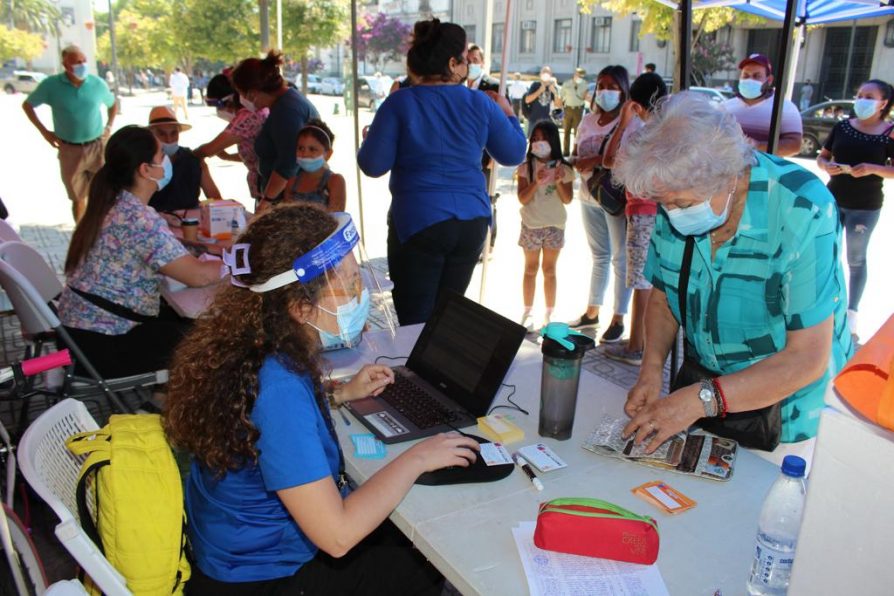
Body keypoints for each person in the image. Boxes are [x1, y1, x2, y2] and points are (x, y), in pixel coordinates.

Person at [163, 204, 479, 594]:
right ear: (299, 307)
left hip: (229, 555)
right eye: (346, 286)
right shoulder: (277, 385)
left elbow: (260, 424)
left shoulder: (254, 347)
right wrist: (418, 457)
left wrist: (339, 394)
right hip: (265, 580)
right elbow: (337, 535)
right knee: (417, 560)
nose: (358, 294)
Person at [612, 92, 853, 457]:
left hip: (787, 418)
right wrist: (651, 369)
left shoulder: (802, 207)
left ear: (727, 175)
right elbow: (663, 295)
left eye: (680, 204)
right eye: (665, 204)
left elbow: (807, 357)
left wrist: (698, 401)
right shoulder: (676, 188)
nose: (671, 214)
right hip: (709, 399)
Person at [357, 19, 526, 326]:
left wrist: (371, 137)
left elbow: (372, 165)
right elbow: (513, 153)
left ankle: (414, 374)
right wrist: (511, 115)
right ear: (451, 62)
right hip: (471, 222)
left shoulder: (399, 103)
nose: (467, 66)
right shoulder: (481, 103)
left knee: (415, 321)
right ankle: (441, 373)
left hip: (419, 222)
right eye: (464, 59)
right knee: (445, 320)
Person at [56, 126, 223, 378]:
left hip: (80, 335)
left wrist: (206, 248)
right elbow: (198, 276)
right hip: (101, 345)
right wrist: (235, 262)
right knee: (216, 340)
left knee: (185, 321)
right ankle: (175, 404)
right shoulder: (137, 218)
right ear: (145, 170)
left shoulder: (115, 202)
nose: (166, 159)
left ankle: (161, 396)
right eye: (160, 155)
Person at [816, 79, 894, 341]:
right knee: (825, 253)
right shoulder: (842, 127)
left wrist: (873, 169)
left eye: (869, 96)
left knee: (856, 259)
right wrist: (826, 165)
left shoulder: (890, 132)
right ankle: (823, 308)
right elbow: (822, 156)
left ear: (883, 103)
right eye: (860, 94)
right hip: (833, 199)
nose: (862, 100)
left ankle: (851, 313)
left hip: (866, 205)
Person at [602, 72, 668, 366]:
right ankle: (645, 344)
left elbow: (609, 162)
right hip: (666, 213)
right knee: (654, 281)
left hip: (643, 212)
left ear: (637, 106)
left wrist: (624, 123)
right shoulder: (673, 129)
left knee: (641, 281)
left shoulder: (643, 134)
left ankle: (636, 347)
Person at [569, 65, 632, 343]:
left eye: (612, 86)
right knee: (599, 255)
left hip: (613, 198)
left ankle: (618, 316)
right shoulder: (587, 120)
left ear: (623, 89)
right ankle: (592, 311)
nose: (605, 91)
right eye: (601, 85)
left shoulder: (630, 122)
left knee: (620, 257)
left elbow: (624, 159)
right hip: (587, 195)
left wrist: (594, 161)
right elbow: (577, 149)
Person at [22, 45, 116, 222]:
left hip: (97, 147)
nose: (82, 65)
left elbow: (113, 104)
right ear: (66, 65)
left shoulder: (97, 84)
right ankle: (80, 237)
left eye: (83, 61)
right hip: (69, 150)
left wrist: (109, 127)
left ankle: (103, 233)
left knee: (104, 195)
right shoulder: (51, 85)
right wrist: (45, 133)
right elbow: (28, 105)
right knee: (78, 198)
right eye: (77, 62)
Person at [232, 51, 320, 208]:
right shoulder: (285, 103)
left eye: (241, 94)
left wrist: (267, 200)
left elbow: (288, 163)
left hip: (289, 200)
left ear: (251, 93)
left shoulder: (286, 111)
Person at [517, 121, 574, 331]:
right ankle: (527, 311)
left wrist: (558, 181)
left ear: (552, 140)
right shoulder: (525, 167)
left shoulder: (564, 168)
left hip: (555, 225)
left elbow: (567, 199)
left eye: (543, 138)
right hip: (531, 224)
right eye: (535, 139)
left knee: (550, 270)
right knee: (530, 269)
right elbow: (522, 198)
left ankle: (550, 312)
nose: (538, 143)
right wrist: (536, 183)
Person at [194, 74, 269, 205]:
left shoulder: (247, 118)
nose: (219, 110)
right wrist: (227, 157)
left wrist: (186, 155)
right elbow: (254, 156)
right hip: (263, 192)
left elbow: (208, 150)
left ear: (228, 100)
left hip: (268, 193)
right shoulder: (252, 114)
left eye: (218, 105)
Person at [722, 53, 803, 157]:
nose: (749, 80)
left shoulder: (785, 108)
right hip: (728, 171)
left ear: (769, 80)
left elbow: (794, 146)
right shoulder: (726, 107)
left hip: (766, 172)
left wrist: (758, 145)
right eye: (745, 75)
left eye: (757, 76)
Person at [146, 106, 221, 212]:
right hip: (154, 222)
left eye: (174, 133)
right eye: (161, 134)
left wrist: (202, 207)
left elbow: (215, 199)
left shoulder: (193, 159)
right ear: (151, 135)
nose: (169, 139)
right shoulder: (143, 161)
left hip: (191, 223)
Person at [279, 119, 346, 212]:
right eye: (300, 148)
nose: (305, 153)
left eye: (312, 149)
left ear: (328, 154)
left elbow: (336, 218)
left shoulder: (334, 181)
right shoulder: (292, 182)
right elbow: (287, 216)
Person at [523, 66, 562, 135]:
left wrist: (555, 93)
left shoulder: (553, 87)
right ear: (540, 74)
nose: (545, 74)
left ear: (551, 75)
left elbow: (558, 106)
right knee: (533, 142)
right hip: (534, 120)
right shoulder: (535, 85)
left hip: (548, 121)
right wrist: (539, 91)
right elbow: (527, 100)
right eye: (544, 72)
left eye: (547, 72)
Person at [560, 67, 588, 156]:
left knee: (577, 132)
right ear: (574, 74)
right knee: (566, 131)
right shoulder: (567, 83)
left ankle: (575, 151)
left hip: (578, 109)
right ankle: (566, 151)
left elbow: (584, 97)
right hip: (568, 109)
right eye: (578, 74)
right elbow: (562, 97)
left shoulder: (584, 84)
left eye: (581, 75)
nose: (579, 76)